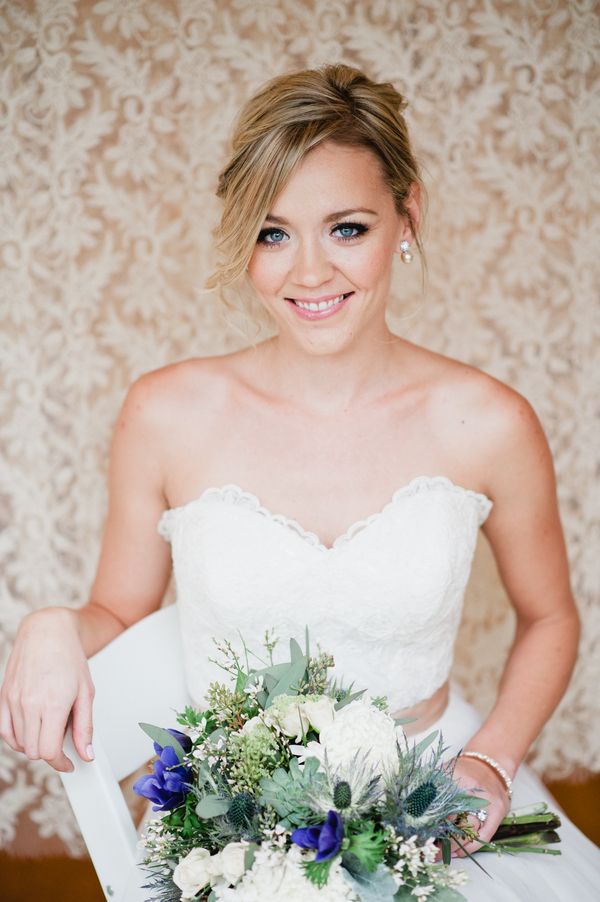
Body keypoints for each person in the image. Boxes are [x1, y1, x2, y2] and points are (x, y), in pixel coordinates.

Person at [1, 63, 598, 899]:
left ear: (406, 219)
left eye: (345, 228)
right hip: (230, 832)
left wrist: (490, 760)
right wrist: (48, 625)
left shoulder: (490, 421)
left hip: (436, 801)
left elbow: (551, 617)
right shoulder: (166, 413)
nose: (308, 272)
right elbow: (117, 611)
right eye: (273, 233)